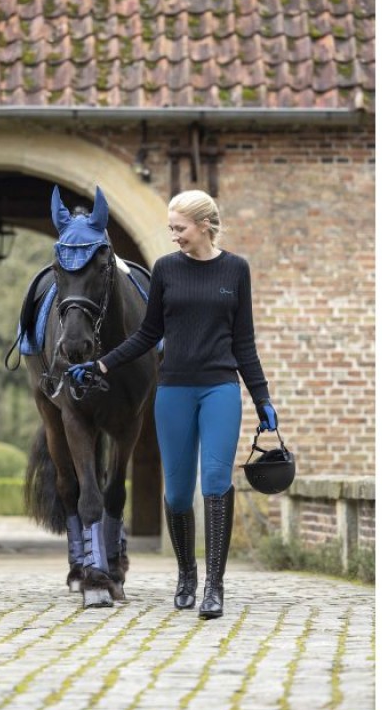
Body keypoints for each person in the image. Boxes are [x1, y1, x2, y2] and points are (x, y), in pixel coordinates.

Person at [67, 190, 278, 619]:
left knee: (215, 481)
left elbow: (244, 342)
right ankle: (187, 575)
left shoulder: (236, 269)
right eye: (170, 228)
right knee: (178, 492)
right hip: (174, 391)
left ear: (204, 225)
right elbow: (147, 335)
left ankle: (214, 587)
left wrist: (263, 398)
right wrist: (101, 365)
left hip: (220, 389)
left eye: (179, 228)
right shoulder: (165, 269)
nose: (174, 235)